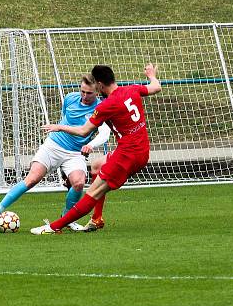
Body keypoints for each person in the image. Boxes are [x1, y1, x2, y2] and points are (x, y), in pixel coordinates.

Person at [31, 63, 162, 235]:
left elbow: (83, 131)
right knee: (97, 165)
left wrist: (60, 127)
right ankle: (97, 218)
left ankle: (53, 227)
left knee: (92, 193)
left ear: (99, 85)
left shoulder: (106, 105)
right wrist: (151, 74)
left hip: (127, 156)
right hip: (141, 150)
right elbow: (156, 87)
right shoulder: (131, 89)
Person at [0, 75, 111, 232]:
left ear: (97, 92)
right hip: (53, 145)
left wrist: (90, 145)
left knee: (79, 184)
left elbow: (104, 134)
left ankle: (66, 219)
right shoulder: (70, 98)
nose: (85, 96)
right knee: (32, 179)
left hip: (75, 153)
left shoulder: (101, 108)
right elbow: (65, 118)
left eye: (89, 93)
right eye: (83, 92)